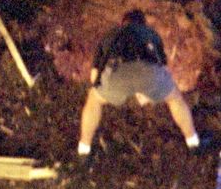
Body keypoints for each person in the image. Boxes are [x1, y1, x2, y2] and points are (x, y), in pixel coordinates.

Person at [77, 10, 201, 161]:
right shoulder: (151, 34)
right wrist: (147, 90)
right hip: (148, 74)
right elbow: (162, 67)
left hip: (118, 75)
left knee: (94, 100)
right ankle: (193, 142)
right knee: (175, 98)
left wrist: (104, 89)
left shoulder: (111, 35)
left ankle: (84, 149)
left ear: (123, 23)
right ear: (143, 24)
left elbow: (94, 76)